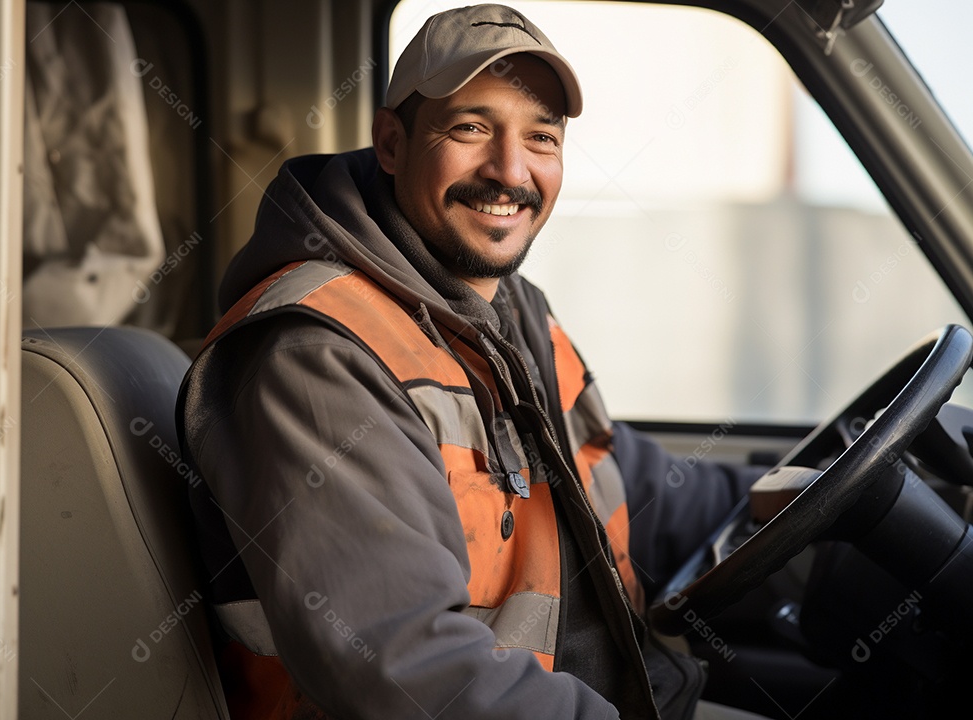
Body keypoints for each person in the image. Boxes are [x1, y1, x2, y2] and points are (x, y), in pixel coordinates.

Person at [177, 5, 770, 718]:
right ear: (392, 143)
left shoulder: (511, 313)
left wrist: (787, 492)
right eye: (471, 128)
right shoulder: (316, 354)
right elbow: (405, 668)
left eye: (541, 137)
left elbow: (629, 486)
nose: (509, 171)